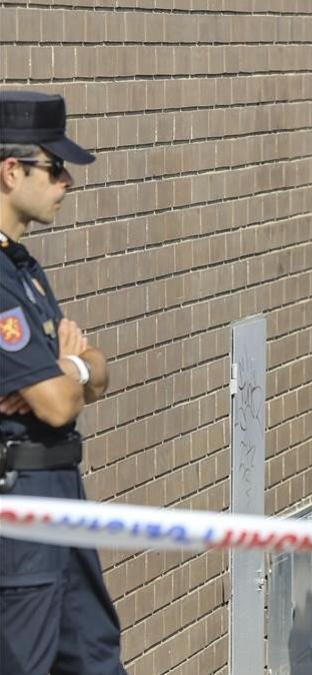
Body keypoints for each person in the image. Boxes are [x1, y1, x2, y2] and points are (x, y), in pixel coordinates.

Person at [0, 91, 123, 674]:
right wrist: (68, 372)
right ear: (10, 170)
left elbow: (95, 371)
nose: (67, 181)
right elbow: (53, 405)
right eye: (54, 168)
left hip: (59, 489)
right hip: (19, 499)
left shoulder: (21, 266)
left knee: (94, 656)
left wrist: (72, 368)